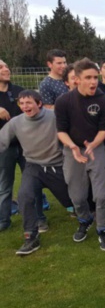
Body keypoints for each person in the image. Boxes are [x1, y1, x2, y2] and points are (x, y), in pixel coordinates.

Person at [0, 90, 74, 255]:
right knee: (24, 196)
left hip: (57, 166)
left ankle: (84, 212)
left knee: (72, 201)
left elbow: (71, 133)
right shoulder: (16, 123)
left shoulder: (54, 117)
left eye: (29, 103)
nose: (25, 106)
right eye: (22, 103)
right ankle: (30, 238)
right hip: (33, 166)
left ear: (39, 103)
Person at [55, 58, 105, 250]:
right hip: (73, 150)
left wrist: (94, 144)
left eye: (95, 77)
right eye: (88, 77)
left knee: (101, 196)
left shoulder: (104, 101)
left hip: (96, 149)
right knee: (78, 197)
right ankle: (85, 219)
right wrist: (73, 147)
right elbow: (61, 131)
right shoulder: (64, 101)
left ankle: (103, 230)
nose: (93, 82)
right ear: (77, 79)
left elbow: (104, 129)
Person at [0, 59, 29, 232]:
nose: (6, 69)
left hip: (26, 145)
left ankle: (35, 216)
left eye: (6, 66)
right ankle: (4, 219)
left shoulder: (19, 91)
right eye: (1, 67)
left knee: (32, 182)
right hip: (4, 148)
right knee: (4, 185)